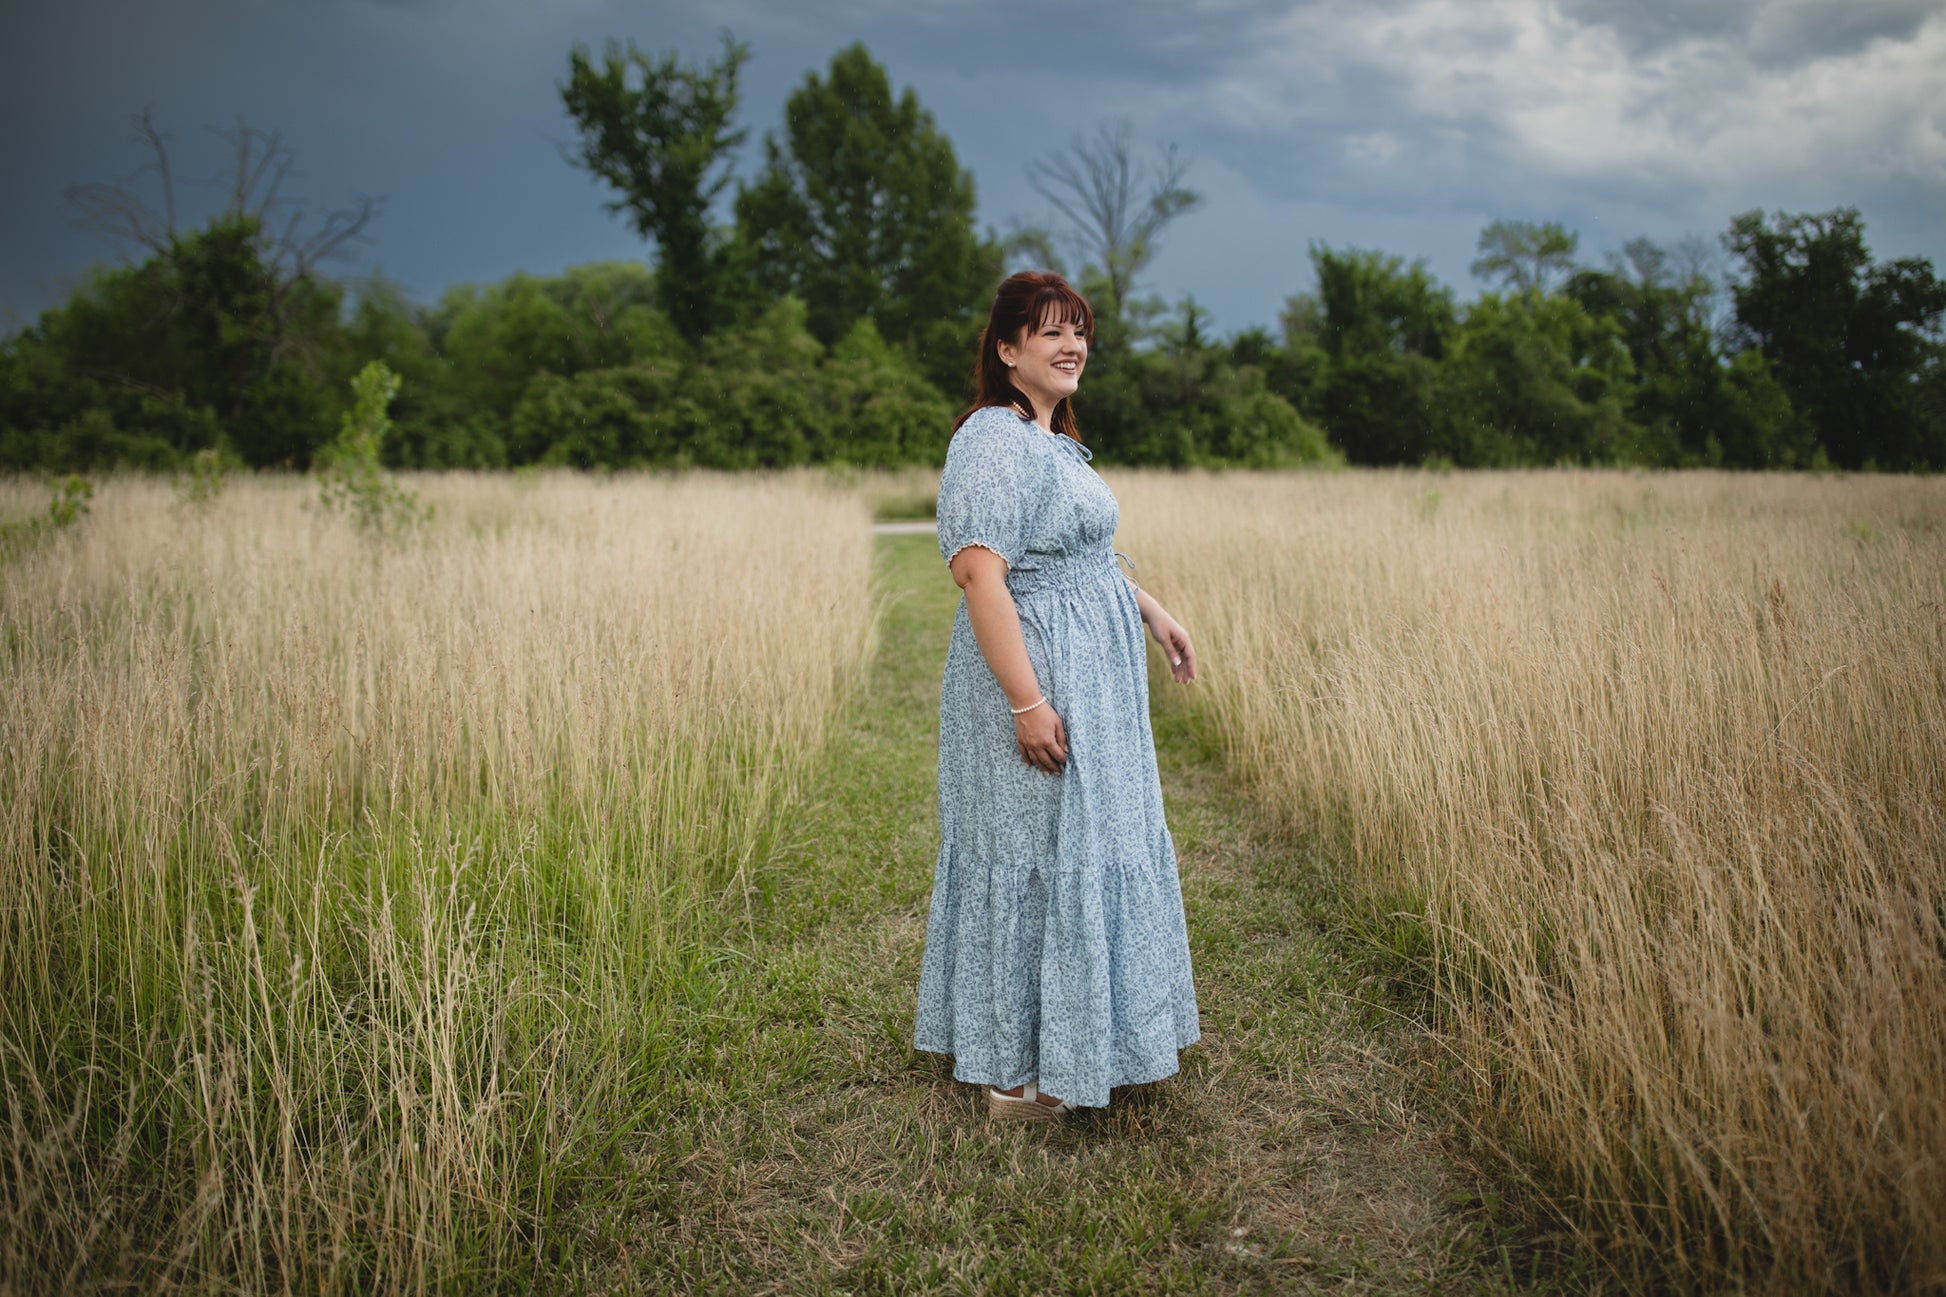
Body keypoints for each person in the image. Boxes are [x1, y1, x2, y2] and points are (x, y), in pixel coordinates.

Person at [912, 271, 1201, 1120]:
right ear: (1007, 351)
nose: (1073, 345)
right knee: (1035, 852)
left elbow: (1077, 555)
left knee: (1080, 844)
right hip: (1036, 676)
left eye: (1079, 330)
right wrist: (1027, 703)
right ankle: (1016, 1078)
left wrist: (1150, 610)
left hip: (1092, 670)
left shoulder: (1049, 437)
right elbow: (980, 573)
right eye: (1050, 333)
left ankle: (1083, 1042)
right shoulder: (994, 438)